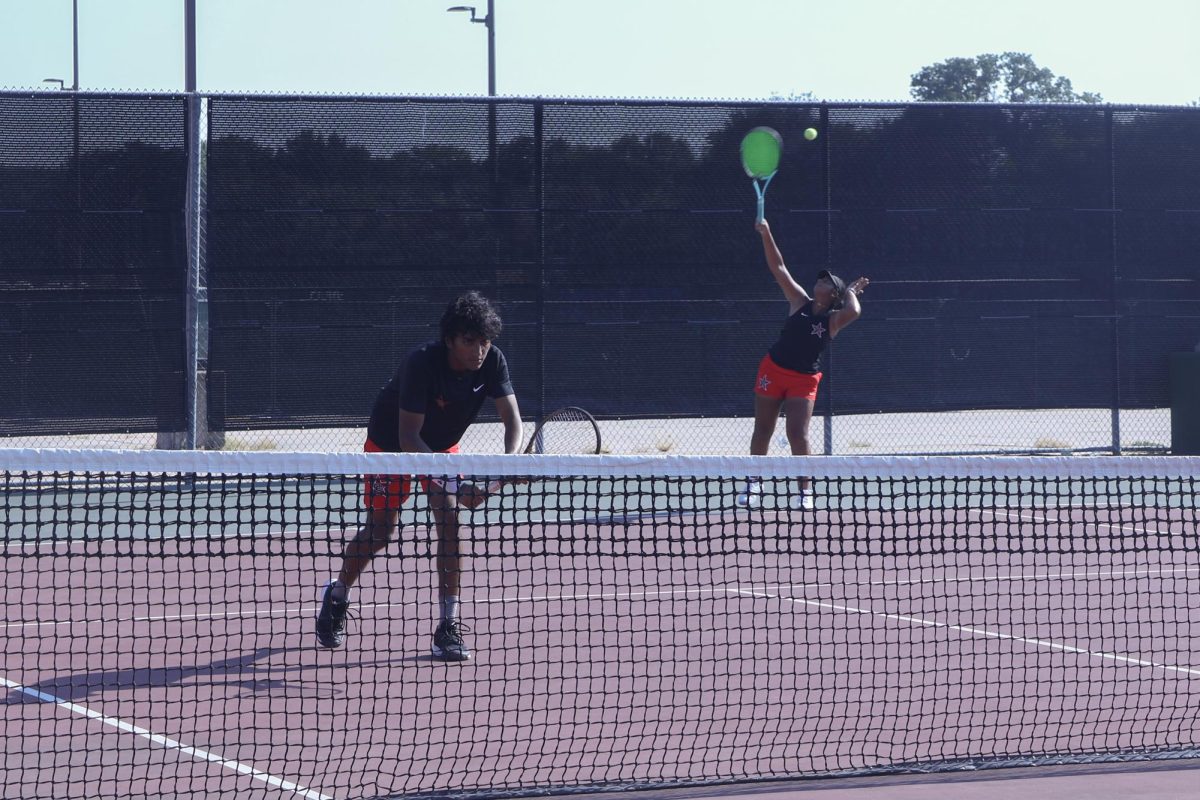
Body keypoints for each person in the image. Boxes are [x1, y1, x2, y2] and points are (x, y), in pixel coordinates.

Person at [316, 291, 523, 661]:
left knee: (450, 521)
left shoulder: (493, 361)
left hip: (443, 447)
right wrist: (458, 485)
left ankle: (447, 626)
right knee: (381, 532)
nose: (478, 350)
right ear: (450, 340)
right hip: (391, 444)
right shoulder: (422, 363)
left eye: (484, 342)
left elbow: (513, 420)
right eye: (469, 341)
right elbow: (409, 436)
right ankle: (337, 596)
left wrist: (511, 462)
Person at [737, 219, 869, 510]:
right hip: (772, 370)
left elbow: (855, 310)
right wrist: (767, 232)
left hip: (804, 380)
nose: (820, 280)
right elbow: (779, 268)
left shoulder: (833, 320)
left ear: (833, 294)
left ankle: (805, 493)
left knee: (797, 434)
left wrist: (849, 292)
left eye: (827, 281)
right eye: (820, 278)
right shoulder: (799, 301)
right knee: (763, 429)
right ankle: (754, 484)